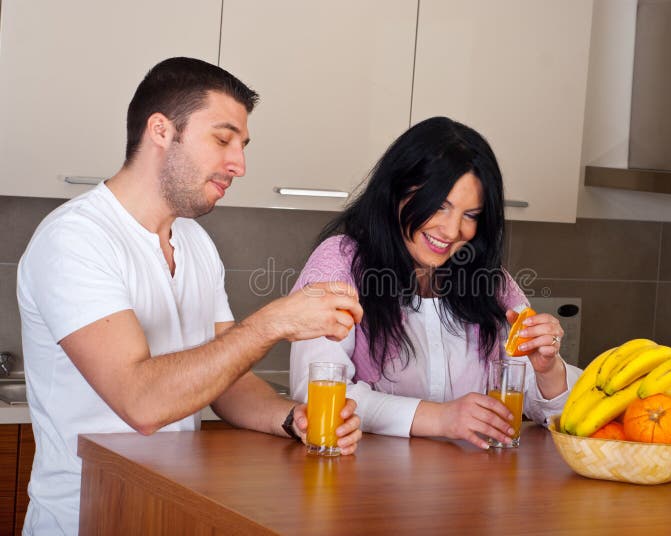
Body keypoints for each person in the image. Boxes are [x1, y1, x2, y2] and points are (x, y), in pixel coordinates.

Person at [16, 57, 363, 535]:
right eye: (223, 139)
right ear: (161, 130)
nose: (239, 164)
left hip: (173, 512)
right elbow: (141, 403)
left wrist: (293, 419)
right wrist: (272, 323)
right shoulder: (76, 239)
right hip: (87, 517)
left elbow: (227, 383)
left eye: (242, 145)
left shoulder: (196, 243)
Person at [289, 116, 581, 449]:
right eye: (440, 206)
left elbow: (552, 412)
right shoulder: (340, 263)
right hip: (364, 486)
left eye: (471, 215)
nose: (452, 230)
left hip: (470, 488)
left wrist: (547, 370)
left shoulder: (491, 281)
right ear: (397, 190)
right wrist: (440, 418)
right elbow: (317, 387)